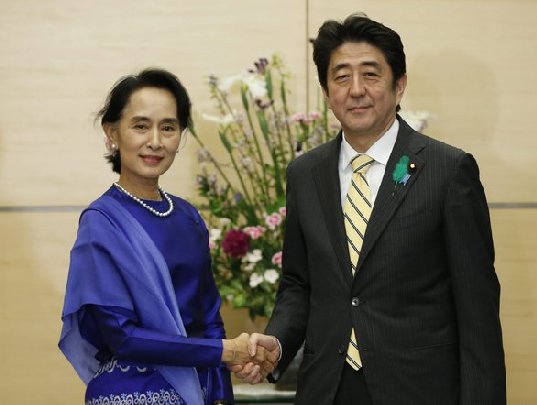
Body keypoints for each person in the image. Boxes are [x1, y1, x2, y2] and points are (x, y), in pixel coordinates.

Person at [233, 13, 506, 404]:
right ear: (327, 92)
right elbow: (298, 284)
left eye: (371, 75)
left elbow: (478, 312)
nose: (356, 90)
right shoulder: (305, 173)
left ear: (399, 85)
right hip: (327, 389)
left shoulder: (447, 171)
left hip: (418, 390)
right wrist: (277, 343)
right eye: (342, 76)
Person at [58, 68, 275, 405]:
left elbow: (210, 320)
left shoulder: (188, 216)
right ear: (112, 133)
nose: (156, 141)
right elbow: (122, 336)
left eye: (168, 127)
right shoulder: (101, 222)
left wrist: (221, 394)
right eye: (141, 126)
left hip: (200, 392)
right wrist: (223, 351)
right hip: (130, 394)